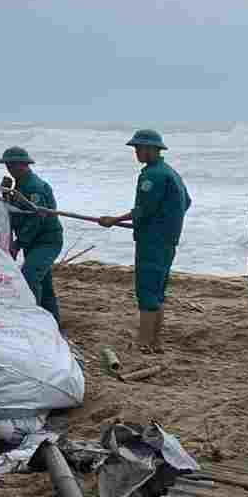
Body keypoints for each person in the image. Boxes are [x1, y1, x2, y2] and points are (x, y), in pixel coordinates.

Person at [97, 129, 192, 352]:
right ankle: (155, 343)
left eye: (139, 148)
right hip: (168, 239)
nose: (137, 153)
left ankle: (143, 343)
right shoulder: (170, 172)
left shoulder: (152, 175)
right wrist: (167, 220)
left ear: (152, 149)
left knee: (147, 290)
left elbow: (143, 210)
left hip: (152, 241)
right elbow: (186, 202)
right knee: (158, 290)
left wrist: (114, 219)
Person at [0, 147, 61, 324]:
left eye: (13, 165)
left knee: (29, 277)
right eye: (8, 165)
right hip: (33, 242)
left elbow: (37, 220)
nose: (10, 169)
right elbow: (15, 212)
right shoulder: (19, 184)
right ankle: (53, 323)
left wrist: (19, 243)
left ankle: (34, 321)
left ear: (24, 165)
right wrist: (6, 193)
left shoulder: (34, 188)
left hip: (46, 241)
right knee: (45, 285)